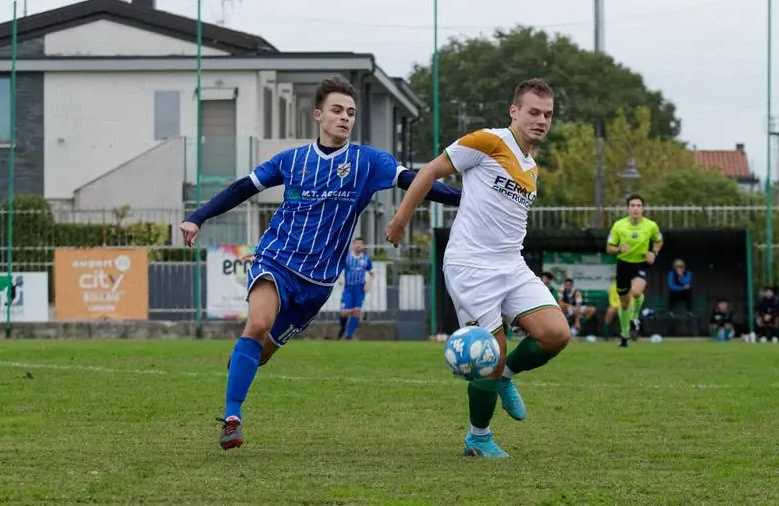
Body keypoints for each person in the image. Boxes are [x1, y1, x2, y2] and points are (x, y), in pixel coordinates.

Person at [180, 75, 462, 450]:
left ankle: (241, 367)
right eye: (337, 111)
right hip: (276, 259)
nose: (345, 118)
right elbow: (242, 189)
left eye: (350, 112)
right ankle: (232, 418)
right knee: (258, 324)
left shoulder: (367, 161)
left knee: (258, 356)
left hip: (318, 283)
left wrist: (465, 197)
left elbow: (416, 181)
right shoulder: (292, 160)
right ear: (318, 115)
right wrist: (198, 216)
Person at [384, 78, 570, 459]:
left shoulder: (531, 166)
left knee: (555, 334)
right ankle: (478, 437)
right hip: (470, 265)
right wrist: (401, 219)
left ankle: (505, 377)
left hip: (511, 264)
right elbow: (429, 172)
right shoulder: (488, 141)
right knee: (490, 352)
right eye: (533, 112)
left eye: (548, 114)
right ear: (514, 111)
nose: (541, 120)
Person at [606, 194, 663, 348]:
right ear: (627, 209)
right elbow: (609, 247)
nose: (636, 209)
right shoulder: (619, 225)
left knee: (637, 292)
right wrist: (619, 248)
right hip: (623, 264)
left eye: (638, 205)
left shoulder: (651, 225)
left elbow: (658, 240)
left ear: (643, 208)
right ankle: (624, 335)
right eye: (632, 205)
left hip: (641, 264)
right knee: (624, 303)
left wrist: (654, 253)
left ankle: (635, 316)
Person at [338, 237, 374, 340]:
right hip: (348, 288)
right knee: (345, 312)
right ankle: (343, 326)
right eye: (357, 243)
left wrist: (368, 283)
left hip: (360, 288)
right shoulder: (347, 258)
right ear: (353, 245)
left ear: (363, 246)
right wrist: (340, 279)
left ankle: (349, 335)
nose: (358, 245)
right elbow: (340, 270)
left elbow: (372, 273)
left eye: (360, 244)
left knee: (357, 311)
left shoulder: (366, 259)